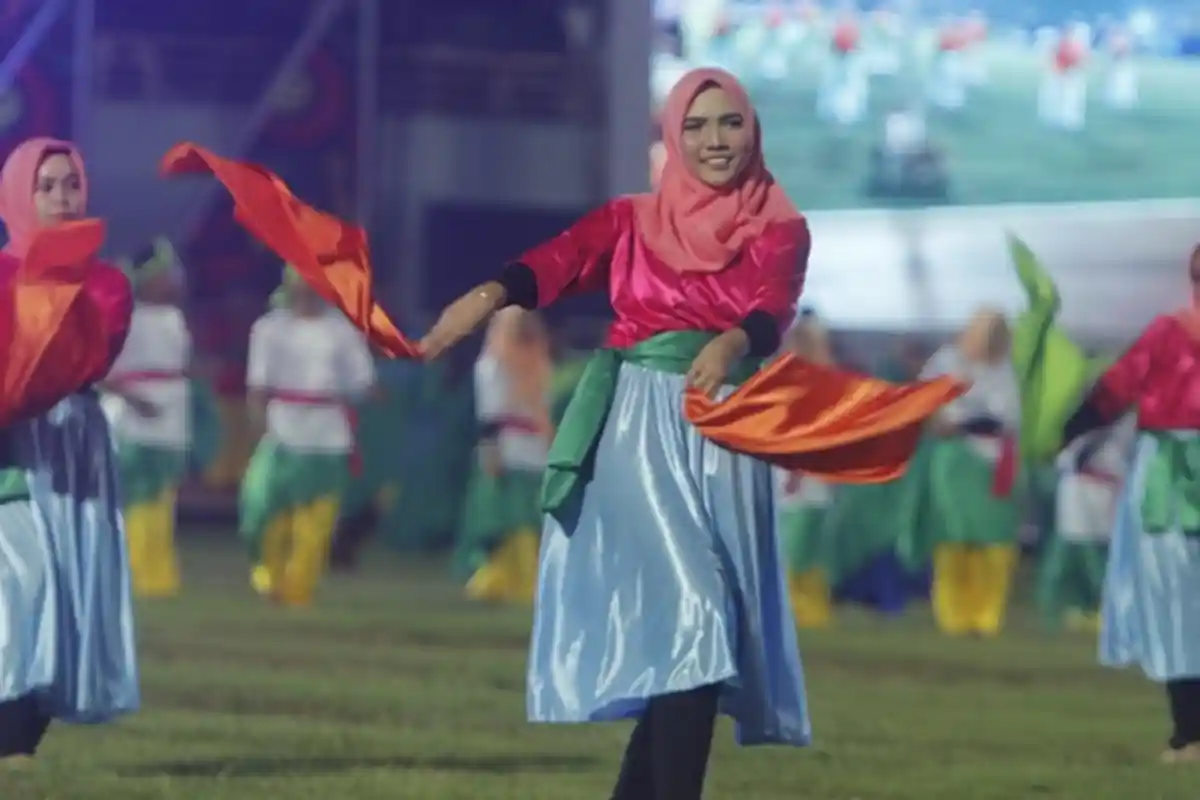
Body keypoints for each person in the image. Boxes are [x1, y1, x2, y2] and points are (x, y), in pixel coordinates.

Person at [419, 68, 960, 800]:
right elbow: (556, 263)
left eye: (729, 123)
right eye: (697, 125)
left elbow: (775, 304)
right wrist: (483, 297)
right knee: (698, 616)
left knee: (702, 640)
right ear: (673, 134)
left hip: (726, 428)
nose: (714, 140)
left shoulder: (780, 225)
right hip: (639, 429)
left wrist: (733, 342)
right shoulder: (631, 220)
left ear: (752, 129)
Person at [0, 138, 139, 762]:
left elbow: (84, 356)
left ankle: (24, 726)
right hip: (11, 451)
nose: (61, 197)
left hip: (65, 446)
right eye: (47, 185)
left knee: (62, 593)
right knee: (21, 583)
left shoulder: (104, 283)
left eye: (71, 184)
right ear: (17, 195)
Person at [1060, 245, 1200, 763]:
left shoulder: (1167, 333)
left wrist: (1066, 431)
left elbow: (1113, 392)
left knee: (1177, 606)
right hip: (1168, 476)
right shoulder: (1165, 333)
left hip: (1167, 472)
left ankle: (1189, 734)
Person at [240, 268, 375, 607]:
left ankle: (298, 591)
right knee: (264, 511)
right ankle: (269, 578)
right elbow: (257, 387)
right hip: (282, 432)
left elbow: (363, 383)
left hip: (327, 437)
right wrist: (257, 424)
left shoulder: (343, 332)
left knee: (314, 524)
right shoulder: (269, 327)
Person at [914, 309, 1021, 637]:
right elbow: (923, 402)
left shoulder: (1004, 369)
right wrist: (939, 424)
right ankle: (954, 613)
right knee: (953, 536)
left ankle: (986, 614)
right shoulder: (948, 361)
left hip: (992, 461)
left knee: (991, 540)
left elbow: (1011, 417)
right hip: (955, 458)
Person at [101, 237, 193, 598]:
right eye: (168, 273)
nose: (175, 280)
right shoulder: (125, 317)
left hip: (171, 421)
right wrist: (134, 398)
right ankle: (139, 572)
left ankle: (160, 572)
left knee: (163, 497)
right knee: (138, 497)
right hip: (133, 420)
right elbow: (103, 371)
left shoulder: (174, 318)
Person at [455, 307, 553, 603]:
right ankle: (512, 581)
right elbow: (489, 415)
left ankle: (516, 581)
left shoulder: (538, 362)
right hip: (506, 447)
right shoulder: (491, 364)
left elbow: (543, 408)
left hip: (535, 447)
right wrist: (490, 453)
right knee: (509, 519)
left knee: (529, 518)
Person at [1038, 411, 1134, 631]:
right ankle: (1068, 606)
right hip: (1077, 483)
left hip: (1108, 487)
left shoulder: (1131, 417)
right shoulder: (1088, 410)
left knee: (1101, 553)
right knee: (1071, 549)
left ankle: (1104, 608)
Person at [775, 318, 836, 628]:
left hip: (805, 478)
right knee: (794, 547)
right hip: (793, 477)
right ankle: (800, 610)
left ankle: (808, 609)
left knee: (802, 548)